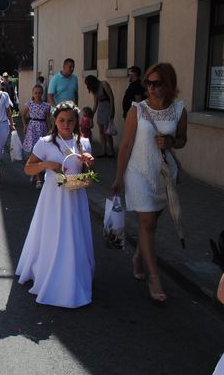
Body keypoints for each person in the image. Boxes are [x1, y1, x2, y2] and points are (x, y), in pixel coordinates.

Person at [111, 62, 188, 304]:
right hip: (138, 172)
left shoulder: (179, 110)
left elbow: (182, 140)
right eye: (148, 83)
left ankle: (138, 256)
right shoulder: (138, 109)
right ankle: (154, 278)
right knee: (146, 222)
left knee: (152, 223)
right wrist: (118, 177)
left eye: (157, 83)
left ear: (170, 85)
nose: (151, 88)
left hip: (164, 175)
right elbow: (125, 145)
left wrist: (171, 141)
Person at [16, 101, 95, 308]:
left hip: (76, 197)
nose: (66, 124)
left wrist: (89, 162)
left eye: (70, 120)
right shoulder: (45, 142)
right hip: (53, 198)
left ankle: (74, 275)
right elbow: (28, 168)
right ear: (54, 120)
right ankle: (47, 271)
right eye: (61, 120)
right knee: (53, 233)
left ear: (76, 121)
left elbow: (87, 174)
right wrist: (45, 165)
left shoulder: (83, 142)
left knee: (74, 234)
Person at [21, 84, 50, 189]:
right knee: (34, 151)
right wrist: (24, 125)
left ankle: (34, 172)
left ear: (42, 93)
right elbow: (23, 115)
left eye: (39, 93)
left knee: (41, 152)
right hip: (32, 128)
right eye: (36, 93)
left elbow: (47, 119)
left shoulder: (46, 105)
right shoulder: (29, 104)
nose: (37, 95)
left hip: (42, 128)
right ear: (33, 93)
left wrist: (50, 130)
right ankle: (38, 178)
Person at [85, 75, 116, 157]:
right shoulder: (94, 89)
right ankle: (104, 150)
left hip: (108, 107)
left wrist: (112, 110)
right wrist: (91, 114)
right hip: (101, 108)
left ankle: (111, 150)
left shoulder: (104, 84)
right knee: (101, 130)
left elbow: (111, 97)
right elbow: (95, 103)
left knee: (107, 131)